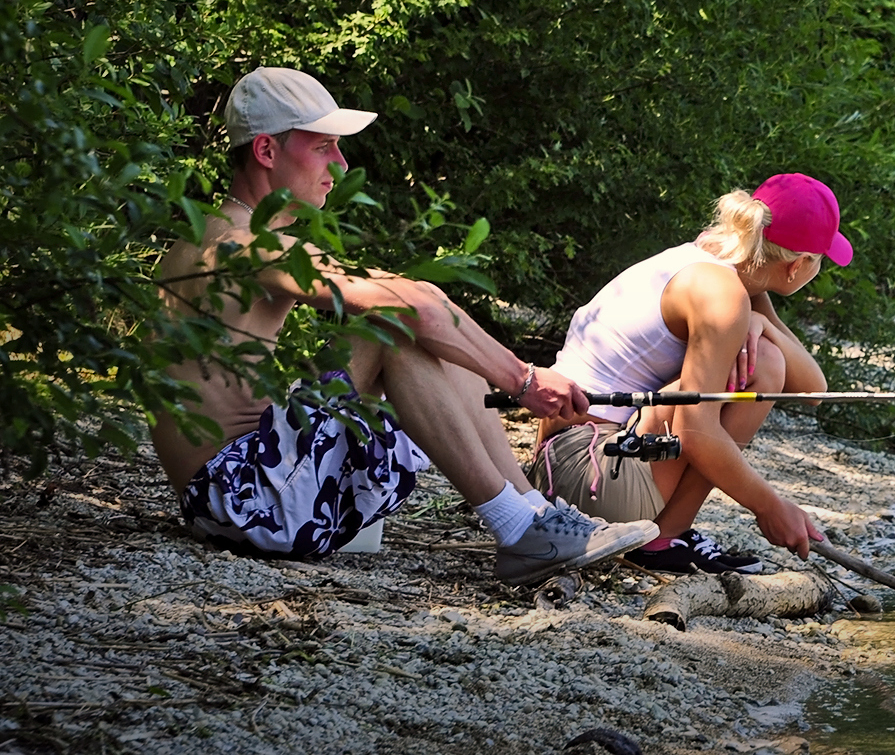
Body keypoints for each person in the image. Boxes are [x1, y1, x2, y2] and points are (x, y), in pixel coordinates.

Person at [153, 67, 658, 583]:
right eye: (324, 145)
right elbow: (409, 306)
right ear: (266, 151)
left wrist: (509, 367)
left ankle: (534, 515)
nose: (341, 163)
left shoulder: (212, 234)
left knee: (420, 327)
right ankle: (516, 526)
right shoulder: (247, 246)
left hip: (240, 494)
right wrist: (524, 381)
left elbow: (423, 302)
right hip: (243, 503)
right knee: (392, 327)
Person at [530, 173, 851, 574]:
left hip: (561, 470)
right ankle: (661, 540)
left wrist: (762, 321)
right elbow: (695, 433)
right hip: (589, 482)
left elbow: (812, 389)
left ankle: (663, 535)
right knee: (762, 367)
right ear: (797, 265)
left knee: (766, 359)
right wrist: (770, 507)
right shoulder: (723, 295)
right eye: (819, 261)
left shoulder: (719, 260)